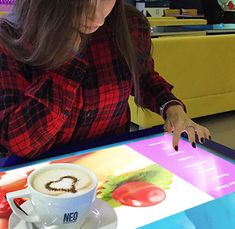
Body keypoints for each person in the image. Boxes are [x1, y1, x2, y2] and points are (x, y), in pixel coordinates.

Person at [0, 0, 211, 158]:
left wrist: (172, 109)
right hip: (39, 179)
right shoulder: (12, 37)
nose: (98, 17)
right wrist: (67, 54)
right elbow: (20, 141)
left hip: (110, 162)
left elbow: (143, 76)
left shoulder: (129, 24)